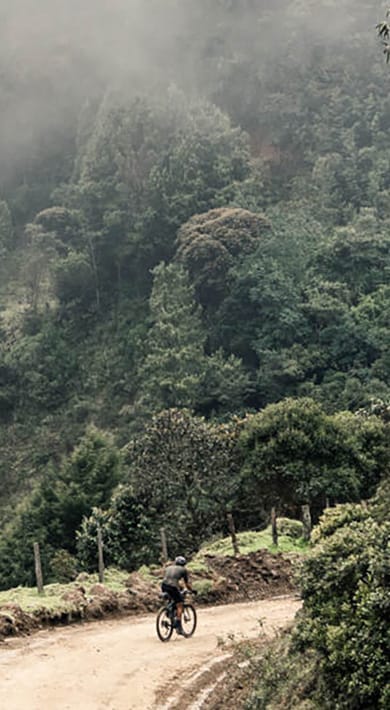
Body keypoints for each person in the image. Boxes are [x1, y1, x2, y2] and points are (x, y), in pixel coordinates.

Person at [161, 555, 195, 635]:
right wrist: (192, 590)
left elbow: (170, 579)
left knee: (172, 598)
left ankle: (169, 613)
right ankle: (178, 625)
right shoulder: (183, 570)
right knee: (180, 604)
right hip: (173, 587)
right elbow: (186, 584)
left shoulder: (168, 568)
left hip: (164, 585)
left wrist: (179, 587)